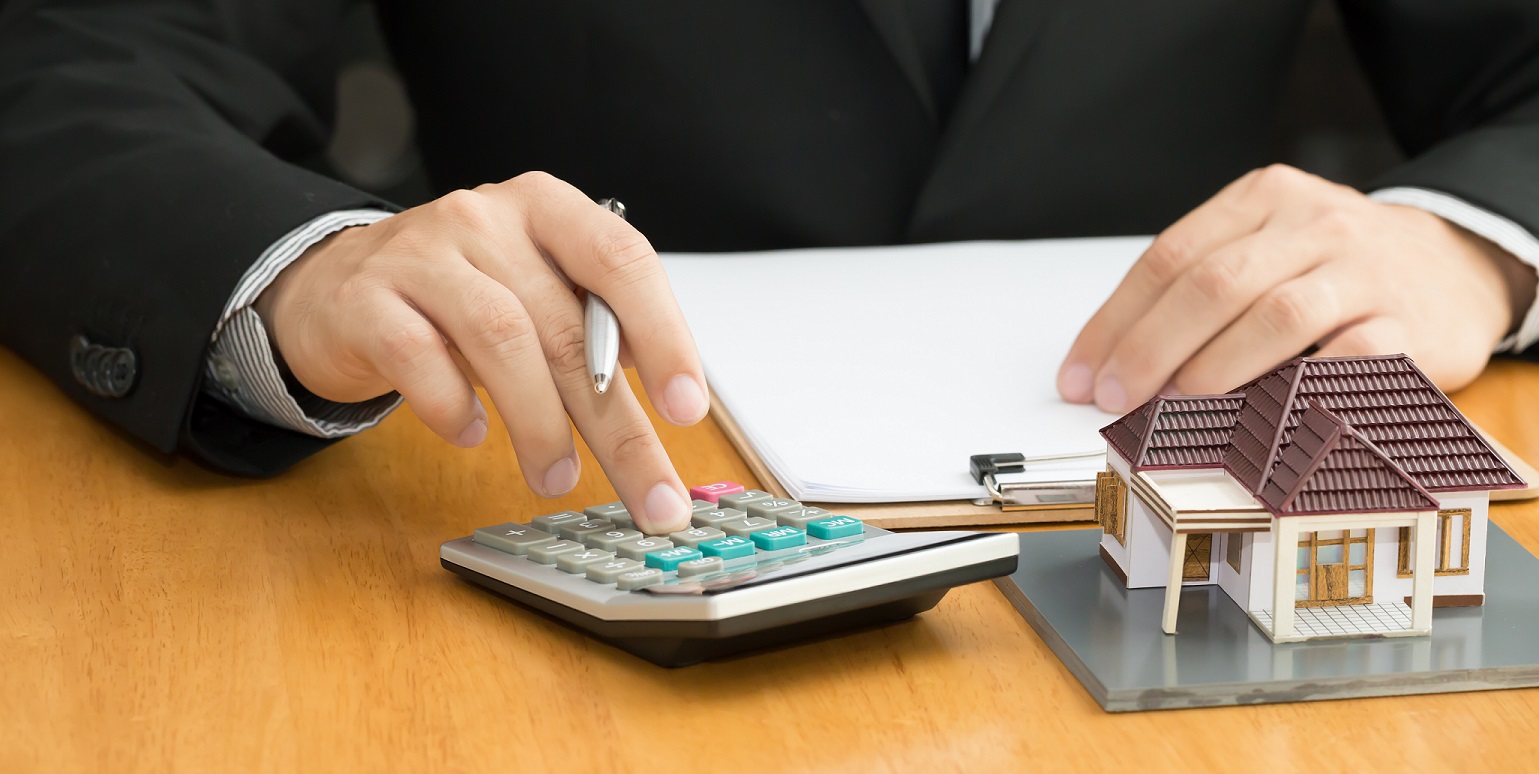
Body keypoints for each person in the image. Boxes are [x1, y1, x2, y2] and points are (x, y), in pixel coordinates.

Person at [1, 1, 1536, 535]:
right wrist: (304, 268)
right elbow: (75, 52)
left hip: (1178, 532)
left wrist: (1474, 240)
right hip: (572, 520)